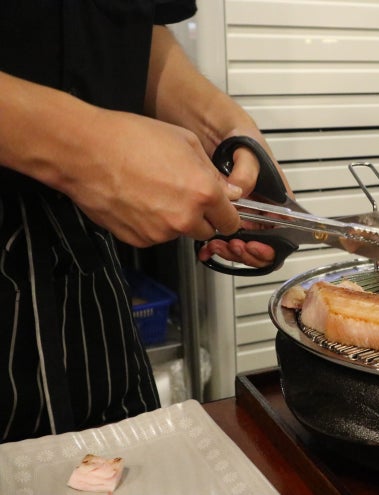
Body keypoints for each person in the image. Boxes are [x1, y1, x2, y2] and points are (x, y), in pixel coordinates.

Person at [0, 1, 285, 442]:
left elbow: (132, 32)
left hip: (84, 260)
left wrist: (222, 131)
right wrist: (80, 147)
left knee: (123, 458)